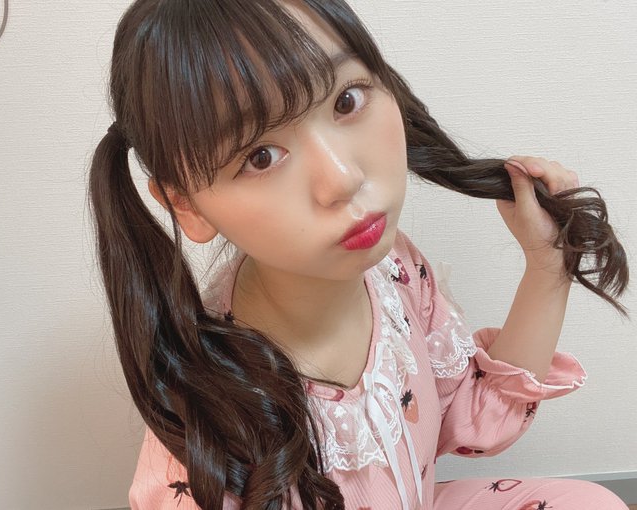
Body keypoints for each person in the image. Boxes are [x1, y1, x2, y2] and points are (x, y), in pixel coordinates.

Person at [88, 1, 629, 508]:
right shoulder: (208, 430)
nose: (342, 178)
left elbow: (467, 415)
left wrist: (547, 267)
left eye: (346, 101)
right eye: (261, 156)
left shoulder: (394, 275)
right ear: (186, 203)